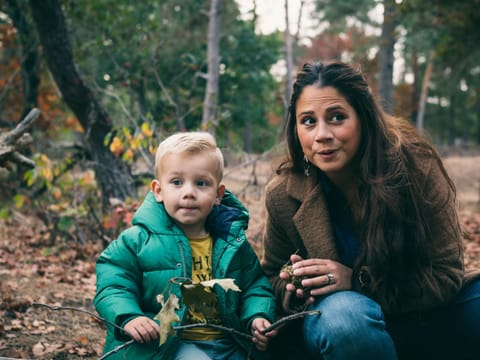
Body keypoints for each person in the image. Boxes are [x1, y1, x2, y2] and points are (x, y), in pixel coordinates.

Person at [261, 61, 480, 359]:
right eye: (308, 121)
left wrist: (357, 281)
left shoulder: (415, 170)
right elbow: (272, 275)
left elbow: (445, 274)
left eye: (337, 117)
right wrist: (297, 284)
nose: (322, 134)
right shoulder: (283, 194)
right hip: (344, 331)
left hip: (425, 315)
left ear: (364, 118)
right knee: (345, 317)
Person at [94, 131, 277, 360]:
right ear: (158, 190)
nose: (189, 192)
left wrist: (257, 316)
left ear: (218, 194)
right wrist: (129, 317)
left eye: (201, 183)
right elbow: (113, 283)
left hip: (229, 341)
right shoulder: (138, 240)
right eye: (177, 182)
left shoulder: (231, 243)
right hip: (167, 345)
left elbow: (255, 286)